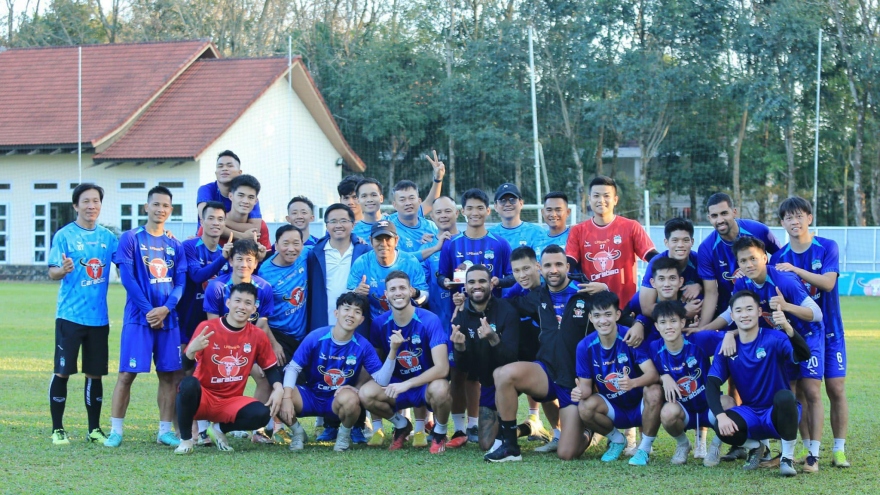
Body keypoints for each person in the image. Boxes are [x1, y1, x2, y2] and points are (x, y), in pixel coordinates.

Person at [486, 245, 592, 462]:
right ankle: (510, 446)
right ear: (541, 268)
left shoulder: (586, 293)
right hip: (547, 372)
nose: (553, 270)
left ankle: (588, 428)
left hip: (576, 380)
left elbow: (616, 313)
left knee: (566, 453)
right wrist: (472, 300)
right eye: (548, 265)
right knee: (502, 374)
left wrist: (637, 324)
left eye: (558, 264)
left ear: (567, 267)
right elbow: (503, 305)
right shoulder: (537, 296)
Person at [105, 186, 187, 448]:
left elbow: (180, 283)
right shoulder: (131, 238)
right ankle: (116, 431)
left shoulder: (175, 244)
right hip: (138, 318)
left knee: (169, 376)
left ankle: (164, 431)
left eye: (165, 205)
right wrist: (149, 311)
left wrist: (166, 309)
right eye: (156, 204)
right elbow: (127, 279)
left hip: (168, 319)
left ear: (170, 210)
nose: (160, 209)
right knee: (126, 374)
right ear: (146, 207)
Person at [772, 196, 850, 468]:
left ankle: (839, 449)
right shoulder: (778, 257)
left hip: (831, 331)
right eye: (788, 217)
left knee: (836, 388)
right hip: (800, 335)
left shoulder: (827, 247)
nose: (794, 221)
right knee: (804, 391)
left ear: (809, 218)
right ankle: (809, 451)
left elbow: (828, 283)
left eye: (799, 216)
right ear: (782, 223)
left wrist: (795, 270)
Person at [706, 290, 811, 476]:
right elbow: (712, 384)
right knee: (717, 420)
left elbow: (803, 355)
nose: (744, 315)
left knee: (786, 397)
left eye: (749, 309)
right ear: (732, 316)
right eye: (739, 311)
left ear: (759, 312)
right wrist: (721, 417)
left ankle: (786, 459)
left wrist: (787, 327)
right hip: (750, 413)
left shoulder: (774, 339)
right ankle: (755, 447)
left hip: (776, 412)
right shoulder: (728, 345)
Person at [47, 183, 119, 445]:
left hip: (99, 318)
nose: (91, 206)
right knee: (63, 371)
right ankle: (58, 429)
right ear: (76, 205)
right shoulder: (64, 235)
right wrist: (63, 270)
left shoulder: (108, 238)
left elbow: (128, 256)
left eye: (96, 201)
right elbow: (52, 272)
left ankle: (94, 429)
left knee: (95, 373)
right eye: (86, 201)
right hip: (69, 317)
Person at [174, 283, 284, 454]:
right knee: (188, 384)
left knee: (262, 414)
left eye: (248, 303)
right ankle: (186, 441)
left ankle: (218, 429)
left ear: (254, 309)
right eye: (237, 301)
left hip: (231, 401)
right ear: (228, 303)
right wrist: (191, 351)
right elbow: (186, 367)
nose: (242, 306)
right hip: (204, 397)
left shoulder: (257, 335)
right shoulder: (207, 328)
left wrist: (278, 388)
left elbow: (270, 368)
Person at [279, 293, 395, 452]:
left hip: (337, 398)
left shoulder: (363, 345)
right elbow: (293, 368)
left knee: (351, 400)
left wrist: (393, 351)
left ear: (361, 320)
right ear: (336, 313)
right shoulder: (316, 337)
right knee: (278, 395)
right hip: (311, 395)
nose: (351, 314)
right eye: (346, 309)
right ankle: (298, 433)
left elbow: (382, 380)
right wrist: (286, 397)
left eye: (357, 312)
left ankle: (343, 436)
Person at [360, 271, 451, 454]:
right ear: (386, 294)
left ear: (411, 291)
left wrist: (408, 384)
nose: (398, 293)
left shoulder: (429, 320)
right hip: (395, 386)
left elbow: (442, 368)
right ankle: (401, 425)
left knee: (441, 389)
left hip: (424, 385)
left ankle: (440, 432)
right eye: (393, 289)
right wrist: (355, 386)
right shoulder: (379, 323)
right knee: (366, 393)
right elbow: (374, 365)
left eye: (402, 288)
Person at [573, 291, 663, 466]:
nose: (603, 320)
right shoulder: (584, 346)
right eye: (597, 316)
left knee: (655, 391)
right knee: (584, 406)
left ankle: (644, 449)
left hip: (640, 406)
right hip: (614, 409)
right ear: (590, 318)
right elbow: (585, 388)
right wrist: (578, 392)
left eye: (608, 314)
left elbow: (653, 374)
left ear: (617, 315)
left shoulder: (630, 337)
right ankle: (617, 440)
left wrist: (633, 383)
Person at [306, 203, 372, 441]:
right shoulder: (315, 252)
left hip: (357, 321)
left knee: (355, 369)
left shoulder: (364, 251)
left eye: (343, 220)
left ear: (353, 224)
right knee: (329, 370)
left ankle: (357, 424)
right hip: (324, 320)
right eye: (333, 221)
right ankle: (331, 424)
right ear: (326, 226)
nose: (338, 225)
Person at [203, 238, 280, 443]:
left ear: (256, 263)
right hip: (220, 346)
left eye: (249, 260)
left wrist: (254, 352)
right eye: (239, 259)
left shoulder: (263, 287)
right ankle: (202, 429)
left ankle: (256, 429)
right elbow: (213, 326)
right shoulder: (217, 286)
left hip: (249, 346)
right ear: (230, 261)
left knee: (264, 377)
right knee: (214, 379)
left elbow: (262, 323)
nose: (243, 264)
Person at [450, 264, 521, 453]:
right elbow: (465, 368)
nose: (477, 286)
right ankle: (520, 429)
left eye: (482, 281)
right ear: (465, 286)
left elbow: (511, 357)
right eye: (471, 282)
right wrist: (460, 348)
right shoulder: (461, 316)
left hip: (513, 378)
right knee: (486, 444)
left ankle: (516, 425)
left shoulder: (507, 310)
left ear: (491, 284)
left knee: (505, 375)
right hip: (489, 382)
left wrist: (493, 338)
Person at [565, 176, 657, 310]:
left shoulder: (631, 227)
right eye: (596, 196)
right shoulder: (577, 231)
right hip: (593, 310)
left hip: (625, 308)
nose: (601, 200)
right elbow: (568, 267)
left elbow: (654, 259)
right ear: (589, 199)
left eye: (606, 196)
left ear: (615, 200)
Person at [649, 301, 724, 465]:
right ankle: (683, 444)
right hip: (683, 410)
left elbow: (738, 335)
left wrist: (731, 335)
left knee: (729, 404)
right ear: (656, 326)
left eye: (673, 321)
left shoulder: (699, 339)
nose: (669, 327)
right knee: (667, 413)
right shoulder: (654, 348)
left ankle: (715, 447)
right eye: (663, 322)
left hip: (710, 405)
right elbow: (646, 372)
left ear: (682, 322)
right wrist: (663, 377)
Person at [697, 192, 781, 326]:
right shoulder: (706, 248)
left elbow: (781, 259)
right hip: (732, 313)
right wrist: (701, 329)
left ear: (734, 212)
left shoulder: (759, 230)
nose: (720, 220)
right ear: (709, 218)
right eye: (714, 216)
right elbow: (711, 293)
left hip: (768, 307)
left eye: (724, 213)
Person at [504, 246, 557, 450]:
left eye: (526, 269)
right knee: (544, 392)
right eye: (516, 271)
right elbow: (504, 305)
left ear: (537, 266)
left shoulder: (551, 286)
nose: (522, 275)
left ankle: (589, 431)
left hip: (562, 354)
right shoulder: (518, 289)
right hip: (538, 354)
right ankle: (557, 433)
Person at [347, 220, 429, 323]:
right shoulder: (362, 262)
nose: (383, 244)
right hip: (375, 323)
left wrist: (415, 293)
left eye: (388, 239)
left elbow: (425, 297)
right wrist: (356, 292)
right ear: (371, 241)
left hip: (408, 322)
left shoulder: (410, 262)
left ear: (396, 240)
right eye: (378, 239)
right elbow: (347, 295)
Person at [179, 201, 230, 350]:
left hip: (212, 320)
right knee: (183, 361)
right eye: (211, 218)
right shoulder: (189, 246)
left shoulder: (224, 252)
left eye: (220, 219)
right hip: (187, 317)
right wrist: (223, 258)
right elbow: (197, 276)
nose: (216, 223)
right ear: (202, 221)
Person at [258, 225, 309, 365]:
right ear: (276, 245)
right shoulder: (265, 273)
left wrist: (356, 239)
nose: (291, 249)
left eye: (296, 243)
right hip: (279, 335)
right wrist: (274, 344)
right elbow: (261, 316)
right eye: (285, 243)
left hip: (303, 336)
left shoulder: (305, 255)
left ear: (302, 245)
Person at [638, 217, 702, 320]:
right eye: (675, 240)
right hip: (660, 312)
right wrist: (683, 312)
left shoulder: (699, 260)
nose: (680, 245)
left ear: (692, 241)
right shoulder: (656, 262)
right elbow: (647, 308)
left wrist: (700, 286)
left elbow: (714, 289)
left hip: (680, 306)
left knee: (700, 298)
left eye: (685, 240)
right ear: (666, 242)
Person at [196, 150, 262, 235]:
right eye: (220, 166)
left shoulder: (248, 196)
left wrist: (220, 221)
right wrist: (241, 236)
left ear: (240, 172)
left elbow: (255, 228)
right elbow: (207, 221)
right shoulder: (206, 190)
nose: (224, 169)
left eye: (229, 165)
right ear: (216, 172)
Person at [489, 183, 546, 252]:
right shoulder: (489, 235)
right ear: (495, 206)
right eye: (503, 201)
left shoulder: (537, 233)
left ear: (521, 203)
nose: (507, 204)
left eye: (512, 200)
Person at [224, 174, 270, 251]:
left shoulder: (261, 226)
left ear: (256, 201)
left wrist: (260, 255)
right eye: (241, 195)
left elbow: (267, 255)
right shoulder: (215, 222)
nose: (245, 201)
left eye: (251, 197)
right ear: (231, 196)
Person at [535, 191, 571, 256]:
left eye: (558, 210)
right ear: (543, 212)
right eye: (549, 210)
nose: (553, 214)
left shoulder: (574, 236)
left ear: (568, 212)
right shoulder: (536, 239)